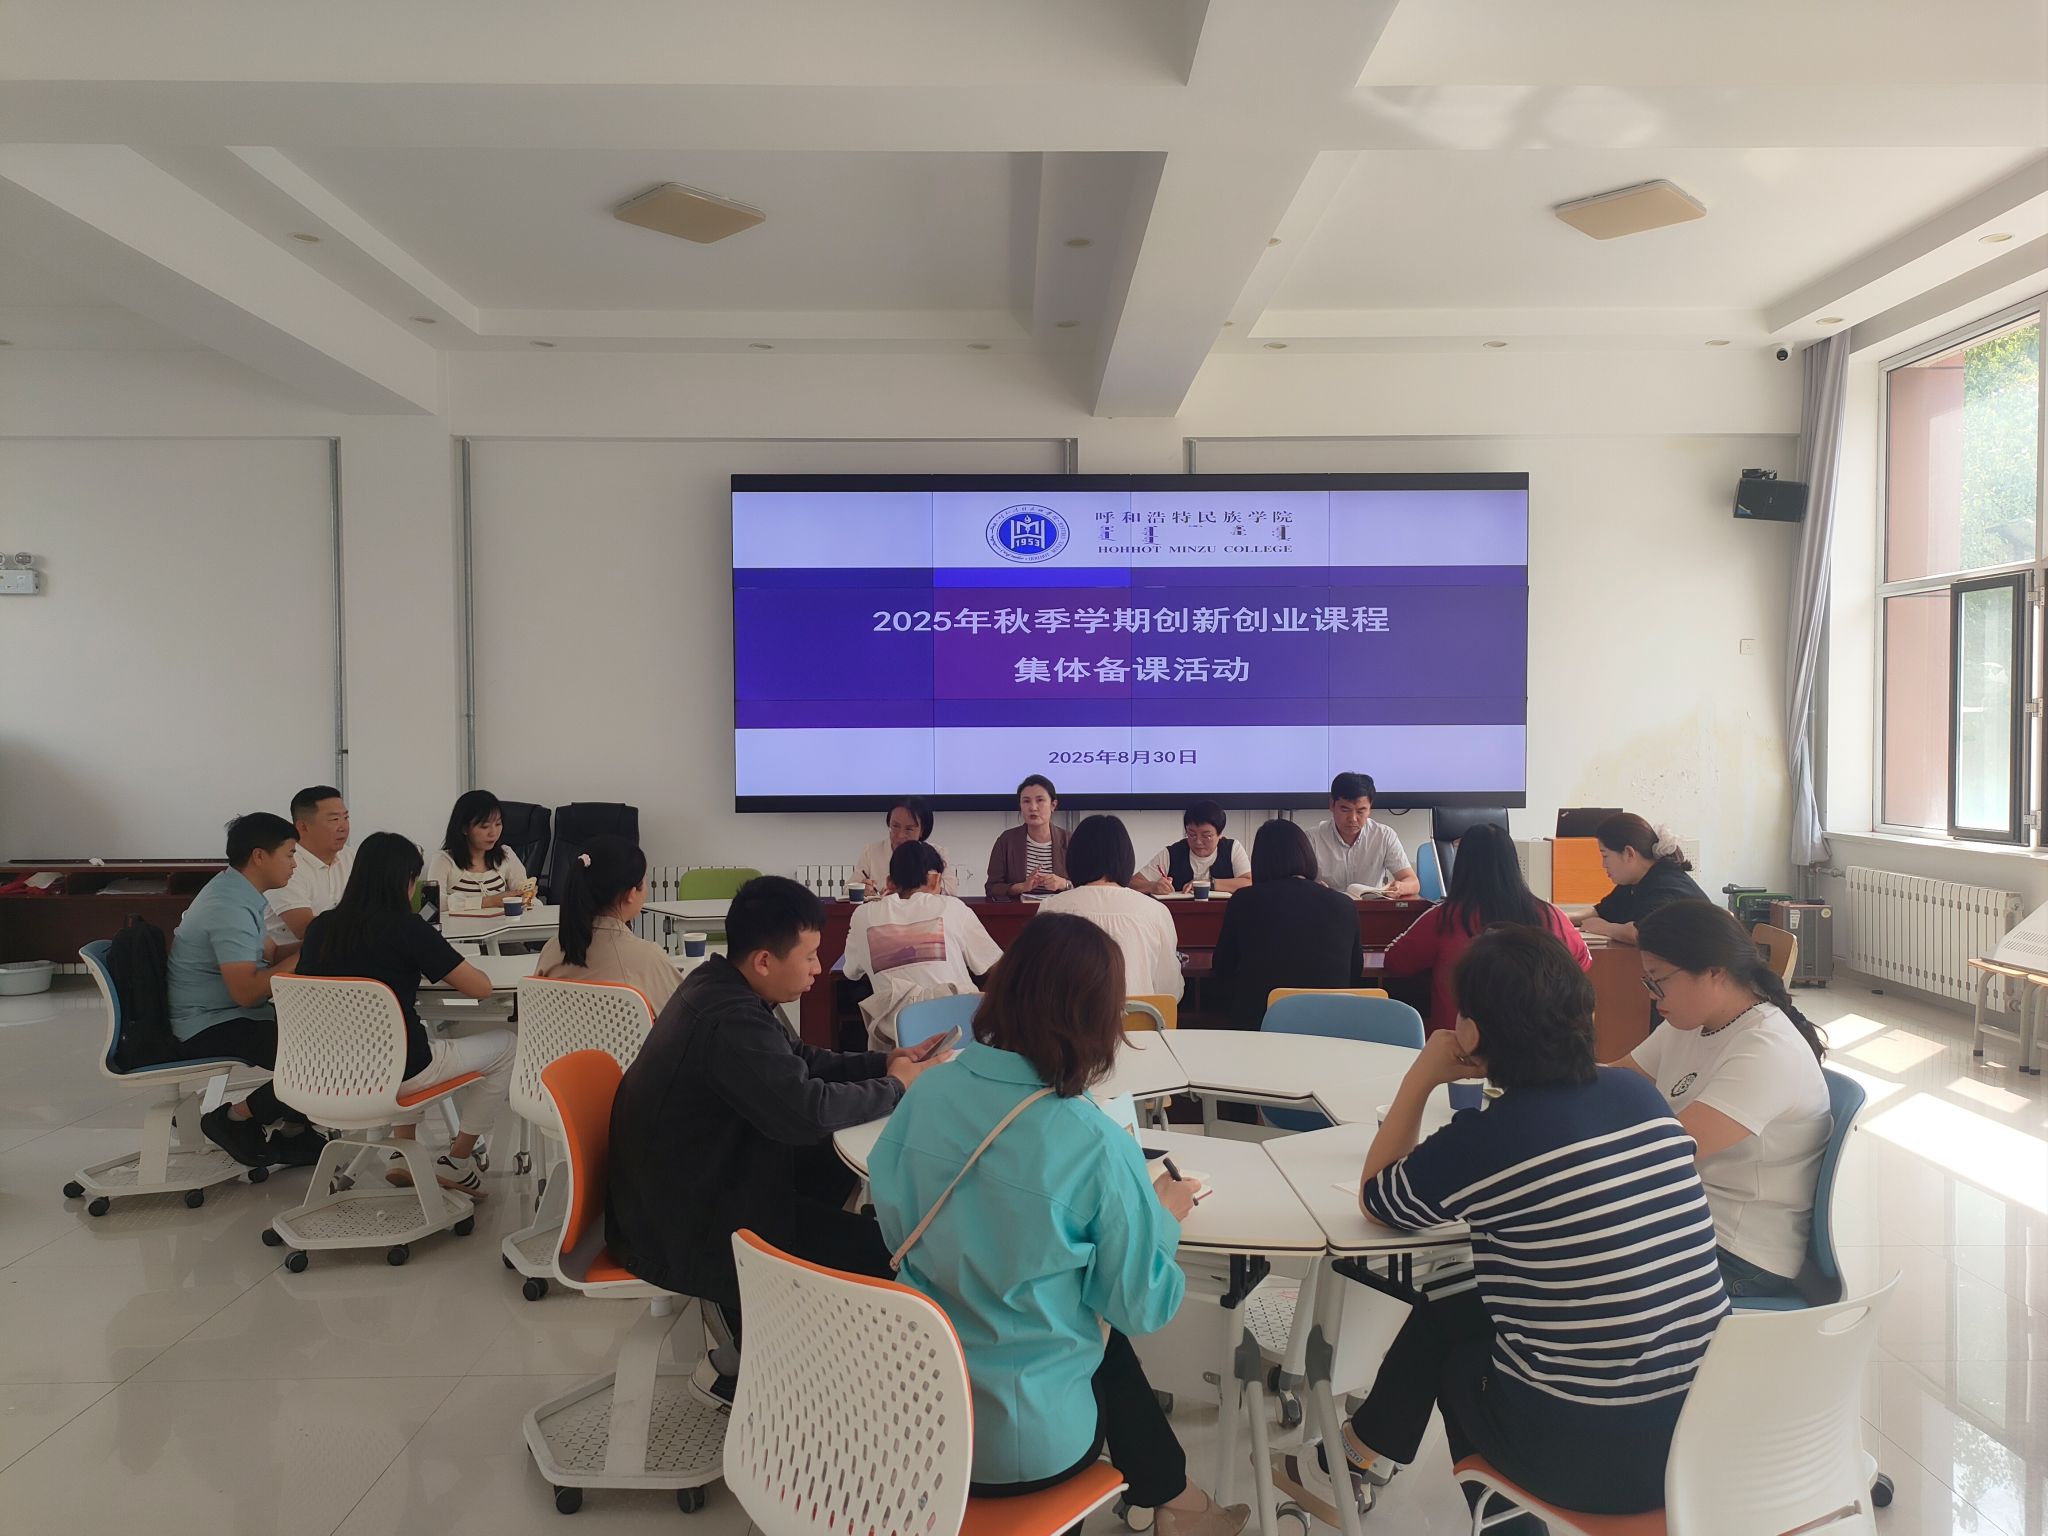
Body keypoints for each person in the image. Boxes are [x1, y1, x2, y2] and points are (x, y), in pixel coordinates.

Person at [1275, 926, 1729, 1525]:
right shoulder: (1638, 1098)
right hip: (1703, 1434)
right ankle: (1352, 1457)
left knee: (1457, 1360)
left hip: (1596, 1461)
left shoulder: (1487, 1140)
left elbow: (1377, 1198)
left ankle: (1486, 1512)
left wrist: (1422, 1076)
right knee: (1450, 1298)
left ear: (1470, 1032)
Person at [869, 915, 1249, 1536]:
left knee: (1072, 1313)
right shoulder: (1094, 1142)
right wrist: (1162, 1217)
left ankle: (1176, 1497)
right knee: (1097, 1324)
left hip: (915, 1410)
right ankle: (1176, 1500)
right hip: (1019, 1444)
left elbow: (892, 1225)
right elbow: (1141, 1306)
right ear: (1100, 1020)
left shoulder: (927, 1094)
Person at [606, 875, 953, 1324]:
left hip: (699, 1181)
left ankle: (802, 1279)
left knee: (837, 1164)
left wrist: (884, 1062)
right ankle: (769, 1341)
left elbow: (798, 1060)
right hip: (686, 1227)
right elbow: (807, 1112)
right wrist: (896, 1086)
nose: (817, 968)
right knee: (892, 1258)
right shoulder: (730, 1020)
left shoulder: (720, 983)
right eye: (809, 956)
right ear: (765, 961)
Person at [1618, 900, 1832, 1300]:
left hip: (1738, 1252)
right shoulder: (1689, 1021)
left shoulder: (1766, 1049)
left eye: (1659, 980)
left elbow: (1665, 1154)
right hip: (1687, 1217)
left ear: (1713, 972)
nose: (1652, 996)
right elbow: (1615, 1081)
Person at [297, 832, 514, 1195]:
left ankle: (402, 1155)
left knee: (401, 1040)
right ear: (406, 880)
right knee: (506, 1045)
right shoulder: (408, 928)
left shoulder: (320, 928)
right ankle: (458, 1161)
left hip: (326, 1074)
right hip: (398, 1072)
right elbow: (480, 988)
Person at [168, 812, 322, 1167]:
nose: (295, 865)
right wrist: (305, 955)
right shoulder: (228, 908)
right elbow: (247, 992)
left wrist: (322, 942)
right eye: (290, 854)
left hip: (227, 1013)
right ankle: (235, 1118)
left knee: (326, 1034)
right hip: (209, 1024)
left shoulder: (236, 891)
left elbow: (270, 955)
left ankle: (295, 1133)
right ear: (259, 856)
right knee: (325, 1053)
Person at [1381, 822, 1592, 1036]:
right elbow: (1582, 961)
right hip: (1536, 1044)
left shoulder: (1444, 917)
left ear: (1461, 866)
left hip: (1460, 1047)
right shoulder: (1551, 915)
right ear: (1513, 864)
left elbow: (1395, 961)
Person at [843, 841, 1003, 1048]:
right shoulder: (953, 908)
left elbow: (851, 972)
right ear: (936, 879)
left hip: (900, 1044)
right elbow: (996, 966)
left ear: (889, 882)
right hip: (962, 1035)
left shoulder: (863, 915)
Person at [1210, 821, 1364, 1032]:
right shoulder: (1344, 903)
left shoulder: (1244, 900)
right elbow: (1355, 971)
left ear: (1260, 860)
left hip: (1259, 1024)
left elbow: (1222, 966)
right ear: (1307, 855)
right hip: (1330, 1025)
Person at [1036, 815, 1183, 1001]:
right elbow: (1171, 991)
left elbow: (1039, 982)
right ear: (1126, 859)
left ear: (1074, 858)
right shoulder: (1156, 911)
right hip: (1140, 1019)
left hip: (1068, 1019)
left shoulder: (1051, 908)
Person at [536, 833, 680, 1013]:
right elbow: (686, 1016)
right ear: (630, 894)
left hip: (560, 1033)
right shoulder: (647, 958)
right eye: (645, 881)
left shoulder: (551, 950)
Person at [1576, 812, 1706, 944]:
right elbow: (1601, 912)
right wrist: (1563, 919)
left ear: (1629, 853)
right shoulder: (1635, 880)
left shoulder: (1666, 884)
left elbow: (1642, 933)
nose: (1603, 865)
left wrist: (1605, 928)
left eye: (1605, 856)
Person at [1307, 773, 1418, 898]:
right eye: (1345, 810)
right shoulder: (1312, 838)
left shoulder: (1384, 836)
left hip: (1371, 907)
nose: (1353, 819)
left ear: (1370, 808)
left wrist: (1400, 887)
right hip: (1328, 907)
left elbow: (1412, 881)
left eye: (1361, 811)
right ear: (1332, 805)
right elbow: (1296, 882)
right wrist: (1311, 887)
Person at [267, 785, 354, 942]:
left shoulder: (352, 857)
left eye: (346, 818)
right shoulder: (284, 864)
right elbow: (306, 929)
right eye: (334, 819)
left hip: (343, 949)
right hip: (292, 954)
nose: (343, 827)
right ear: (303, 827)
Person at [424, 789, 530, 910]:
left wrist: (527, 896)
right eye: (484, 826)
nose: (493, 833)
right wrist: (488, 902)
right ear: (464, 828)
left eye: (498, 824)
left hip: (500, 922)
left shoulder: (506, 854)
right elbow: (433, 903)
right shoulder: (444, 860)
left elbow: (522, 891)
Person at [1133, 800, 1252, 896]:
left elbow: (1249, 883)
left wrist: (1208, 884)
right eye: (1192, 834)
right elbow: (1132, 883)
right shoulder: (1172, 853)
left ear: (1220, 834)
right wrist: (1153, 886)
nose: (1198, 842)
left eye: (1206, 836)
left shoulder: (1232, 849)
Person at [985, 775, 1072, 898]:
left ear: (1053, 805)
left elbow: (1087, 887)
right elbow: (992, 888)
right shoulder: (1007, 840)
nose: (1033, 808)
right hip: (1019, 908)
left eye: (1040, 800)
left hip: (1060, 908)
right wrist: (1021, 887)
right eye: (1026, 801)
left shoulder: (1070, 840)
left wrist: (1065, 884)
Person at [855, 796, 955, 899]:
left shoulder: (936, 853)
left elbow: (951, 891)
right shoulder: (871, 852)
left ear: (922, 830)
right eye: (895, 826)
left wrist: (925, 887)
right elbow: (848, 889)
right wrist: (862, 889)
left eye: (909, 829)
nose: (900, 835)